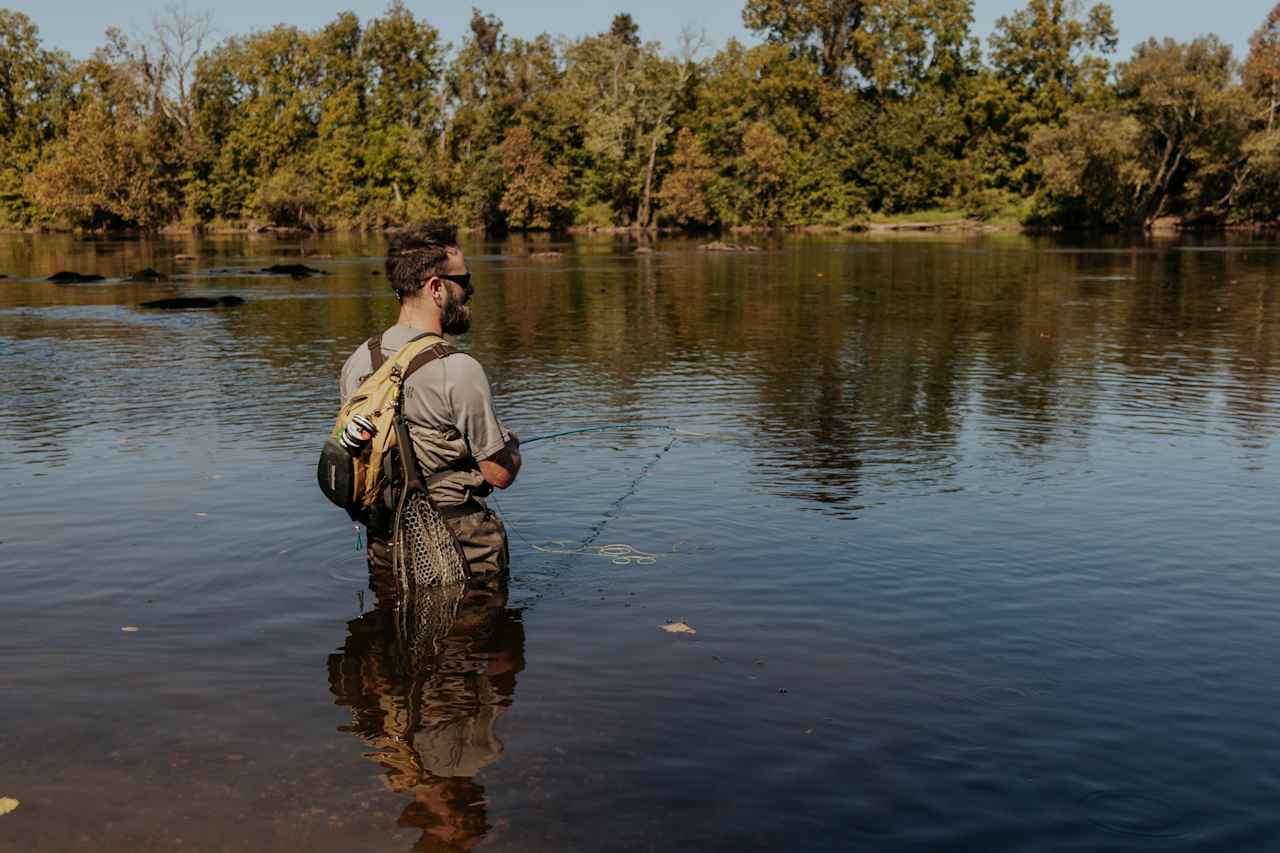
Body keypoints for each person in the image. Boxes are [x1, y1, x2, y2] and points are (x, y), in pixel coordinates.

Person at [339, 221, 521, 603]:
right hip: (463, 547)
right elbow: (499, 473)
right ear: (436, 288)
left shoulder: (358, 362)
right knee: (488, 648)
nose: (469, 290)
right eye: (464, 280)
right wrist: (512, 447)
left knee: (394, 641)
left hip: (386, 544)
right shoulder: (457, 368)